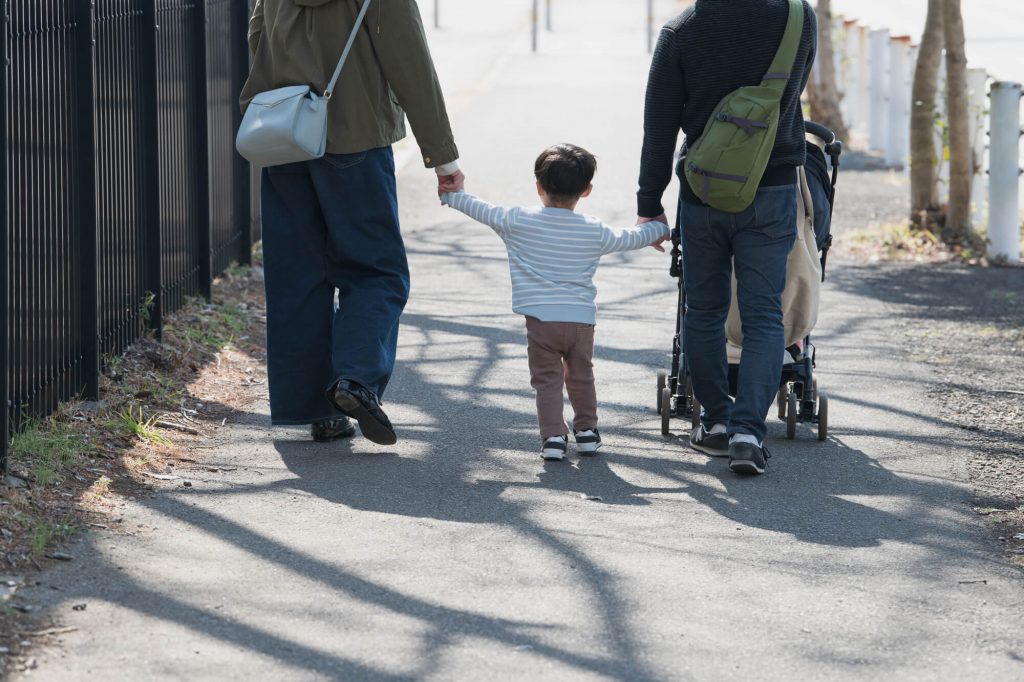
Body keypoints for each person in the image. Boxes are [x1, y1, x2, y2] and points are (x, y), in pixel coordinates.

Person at [240, 0, 465, 445]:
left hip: (286, 135)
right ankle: (355, 380)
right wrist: (442, 156)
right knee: (376, 270)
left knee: (298, 276)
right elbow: (409, 61)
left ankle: (316, 410)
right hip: (356, 140)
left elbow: (257, 39)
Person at [637, 0, 817, 474]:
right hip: (773, 185)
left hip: (704, 191)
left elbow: (658, 123)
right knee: (762, 314)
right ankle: (746, 434)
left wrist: (648, 202)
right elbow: (794, 88)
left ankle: (715, 422)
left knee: (704, 310)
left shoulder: (682, 30)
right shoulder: (797, 18)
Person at [441, 144, 670, 460]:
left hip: (541, 323)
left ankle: (553, 438)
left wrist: (452, 193)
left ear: (539, 187)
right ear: (586, 190)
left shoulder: (516, 220)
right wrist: (660, 228)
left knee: (547, 382)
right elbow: (631, 237)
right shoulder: (594, 230)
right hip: (580, 323)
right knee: (581, 376)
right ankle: (587, 432)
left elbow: (480, 208)